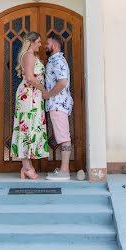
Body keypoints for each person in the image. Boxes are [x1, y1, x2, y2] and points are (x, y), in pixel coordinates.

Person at [10, 31, 50, 179]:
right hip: (28, 96)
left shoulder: (32, 56)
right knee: (26, 127)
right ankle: (27, 167)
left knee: (32, 127)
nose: (40, 44)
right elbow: (29, 78)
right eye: (38, 42)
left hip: (34, 97)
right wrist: (44, 90)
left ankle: (25, 167)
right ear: (31, 42)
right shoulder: (28, 55)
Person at [43, 32, 74, 181]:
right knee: (62, 136)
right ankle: (63, 169)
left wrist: (48, 95)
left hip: (57, 104)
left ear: (54, 45)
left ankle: (64, 171)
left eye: (47, 43)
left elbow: (62, 82)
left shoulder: (57, 61)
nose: (45, 46)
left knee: (63, 137)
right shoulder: (55, 60)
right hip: (57, 104)